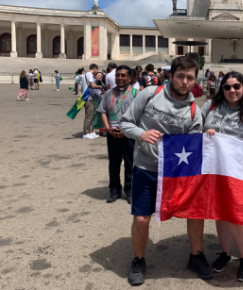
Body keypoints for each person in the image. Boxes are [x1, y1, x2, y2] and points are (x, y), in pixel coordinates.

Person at [120, 56, 212, 286]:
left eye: (190, 78)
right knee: (141, 218)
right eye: (180, 76)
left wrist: (208, 139)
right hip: (146, 168)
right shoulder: (150, 93)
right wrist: (141, 134)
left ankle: (196, 256)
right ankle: (139, 260)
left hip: (176, 172)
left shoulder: (194, 112)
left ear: (195, 80)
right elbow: (125, 123)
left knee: (195, 213)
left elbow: (193, 146)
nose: (184, 82)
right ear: (171, 75)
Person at [200, 71, 243, 282]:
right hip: (212, 169)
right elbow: (195, 127)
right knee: (219, 214)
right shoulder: (210, 106)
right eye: (227, 87)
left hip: (236, 173)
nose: (232, 90)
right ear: (221, 89)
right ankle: (225, 253)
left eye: (236, 86)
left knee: (235, 216)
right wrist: (204, 134)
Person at [97, 65, 139, 205]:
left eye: (123, 75)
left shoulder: (136, 94)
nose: (119, 78)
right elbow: (103, 111)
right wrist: (107, 128)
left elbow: (141, 116)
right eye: (117, 75)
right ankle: (114, 190)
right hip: (112, 134)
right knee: (113, 163)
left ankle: (130, 190)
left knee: (130, 163)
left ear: (130, 78)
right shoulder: (109, 93)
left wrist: (127, 131)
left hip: (128, 135)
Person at [81, 64, 103, 139]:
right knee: (89, 116)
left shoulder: (84, 75)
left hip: (86, 97)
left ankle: (89, 132)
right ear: (95, 69)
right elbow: (92, 85)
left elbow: (82, 87)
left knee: (91, 115)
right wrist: (100, 86)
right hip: (89, 98)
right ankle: (85, 133)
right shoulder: (90, 74)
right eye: (97, 70)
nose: (96, 71)